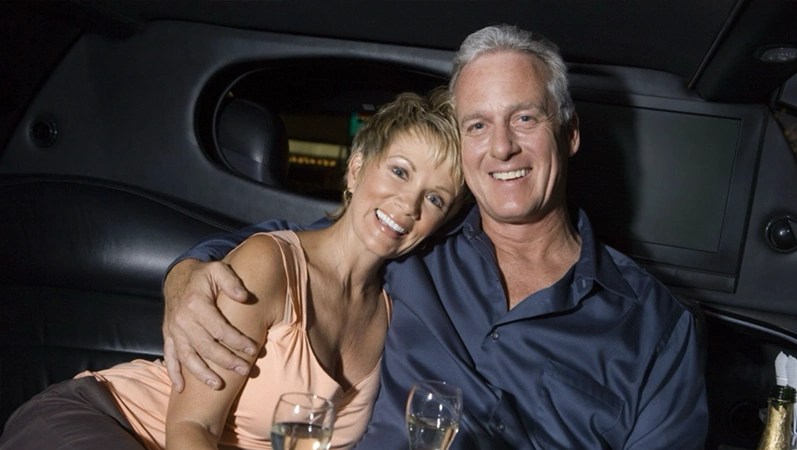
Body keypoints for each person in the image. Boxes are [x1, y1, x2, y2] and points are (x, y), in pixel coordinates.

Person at [161, 25, 709, 449]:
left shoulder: (657, 329)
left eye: (524, 119)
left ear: (567, 134)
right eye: (477, 125)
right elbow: (305, 249)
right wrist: (187, 274)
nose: (501, 148)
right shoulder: (414, 249)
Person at [0, 90, 466, 450]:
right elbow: (191, 426)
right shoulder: (270, 263)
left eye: (435, 198)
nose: (407, 205)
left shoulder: (392, 315)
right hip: (105, 421)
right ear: (356, 169)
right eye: (400, 172)